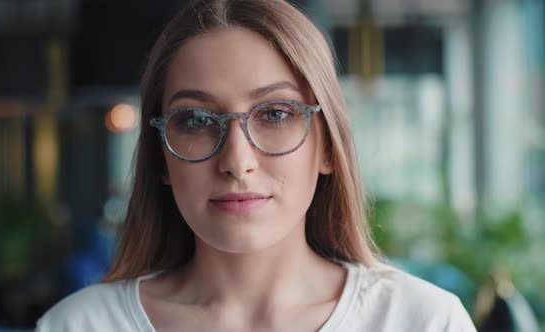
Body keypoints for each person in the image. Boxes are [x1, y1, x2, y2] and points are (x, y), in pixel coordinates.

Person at [37, 0, 477, 331]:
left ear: (327, 147)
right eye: (196, 120)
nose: (237, 162)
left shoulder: (423, 322)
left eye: (276, 114)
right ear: (161, 159)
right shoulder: (79, 326)